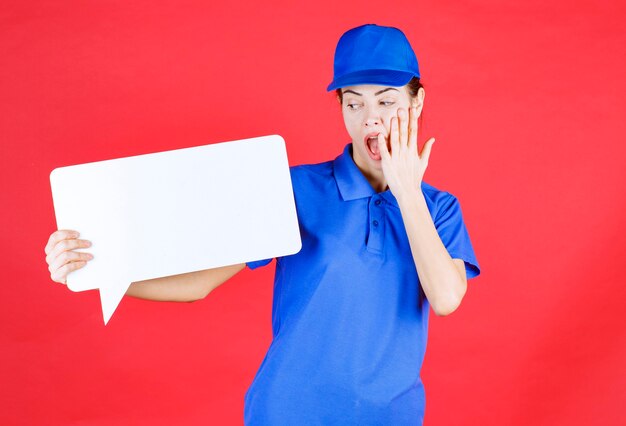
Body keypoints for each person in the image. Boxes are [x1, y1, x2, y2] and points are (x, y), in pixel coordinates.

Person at [45, 24, 480, 425]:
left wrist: (407, 193)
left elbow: (445, 297)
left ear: (416, 101)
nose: (370, 118)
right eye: (353, 102)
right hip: (287, 412)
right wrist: (94, 269)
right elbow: (200, 281)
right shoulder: (297, 189)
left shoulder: (440, 210)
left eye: (386, 101)